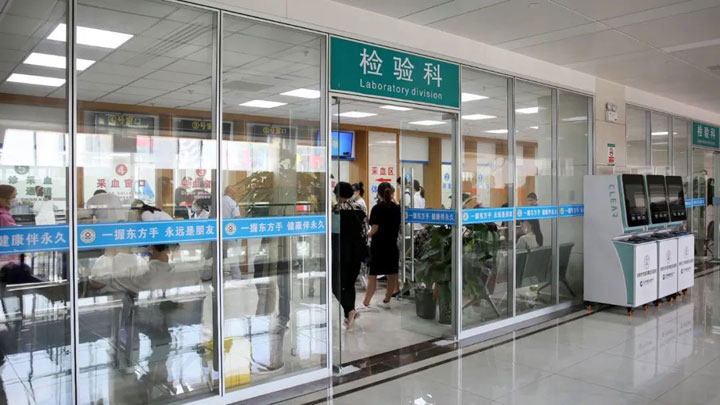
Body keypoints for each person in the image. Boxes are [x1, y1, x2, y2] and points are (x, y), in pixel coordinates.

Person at [332, 182, 367, 329]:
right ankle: (349, 316)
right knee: (349, 284)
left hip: (340, 252)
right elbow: (364, 231)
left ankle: (349, 310)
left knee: (335, 285)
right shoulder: (360, 208)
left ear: (338, 195)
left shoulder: (336, 210)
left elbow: (333, 234)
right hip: (356, 252)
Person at [363, 182, 401, 310]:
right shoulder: (397, 208)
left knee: (372, 274)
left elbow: (375, 228)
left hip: (378, 246)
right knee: (391, 273)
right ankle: (387, 297)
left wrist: (367, 235)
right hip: (392, 245)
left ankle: (367, 301)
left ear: (378, 194)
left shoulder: (376, 208)